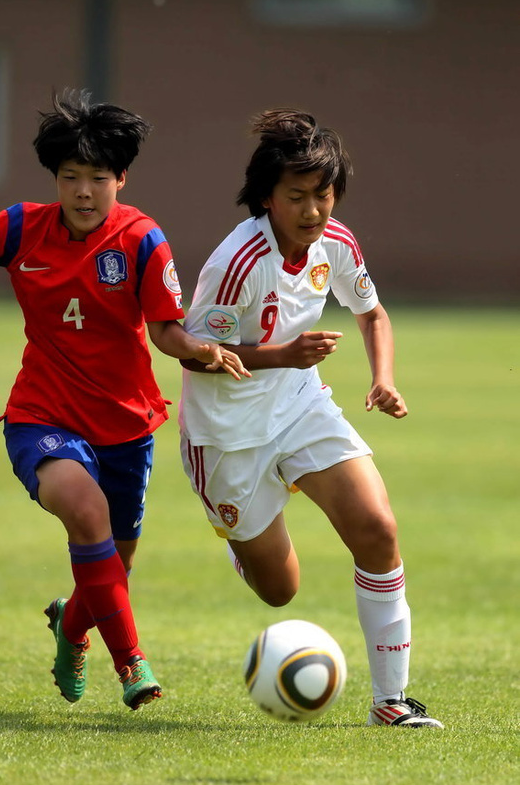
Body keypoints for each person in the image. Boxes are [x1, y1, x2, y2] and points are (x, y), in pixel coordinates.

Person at [0, 88, 246, 711]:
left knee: (112, 570)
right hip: (42, 416)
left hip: (127, 425)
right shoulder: (20, 227)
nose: (84, 192)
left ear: (122, 180)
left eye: (99, 179)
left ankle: (69, 623)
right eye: (71, 177)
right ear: (54, 179)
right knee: (87, 516)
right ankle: (132, 664)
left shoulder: (143, 240)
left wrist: (198, 349)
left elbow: (165, 330)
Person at [179, 109, 443, 728]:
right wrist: (279, 355)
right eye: (295, 196)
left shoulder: (338, 245)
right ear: (267, 198)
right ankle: (242, 541)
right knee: (280, 591)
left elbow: (372, 313)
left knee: (377, 528)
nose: (312, 210)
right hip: (227, 435)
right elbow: (193, 353)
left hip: (300, 404)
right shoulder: (235, 263)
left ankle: (391, 703)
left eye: (322, 194)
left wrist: (382, 379)